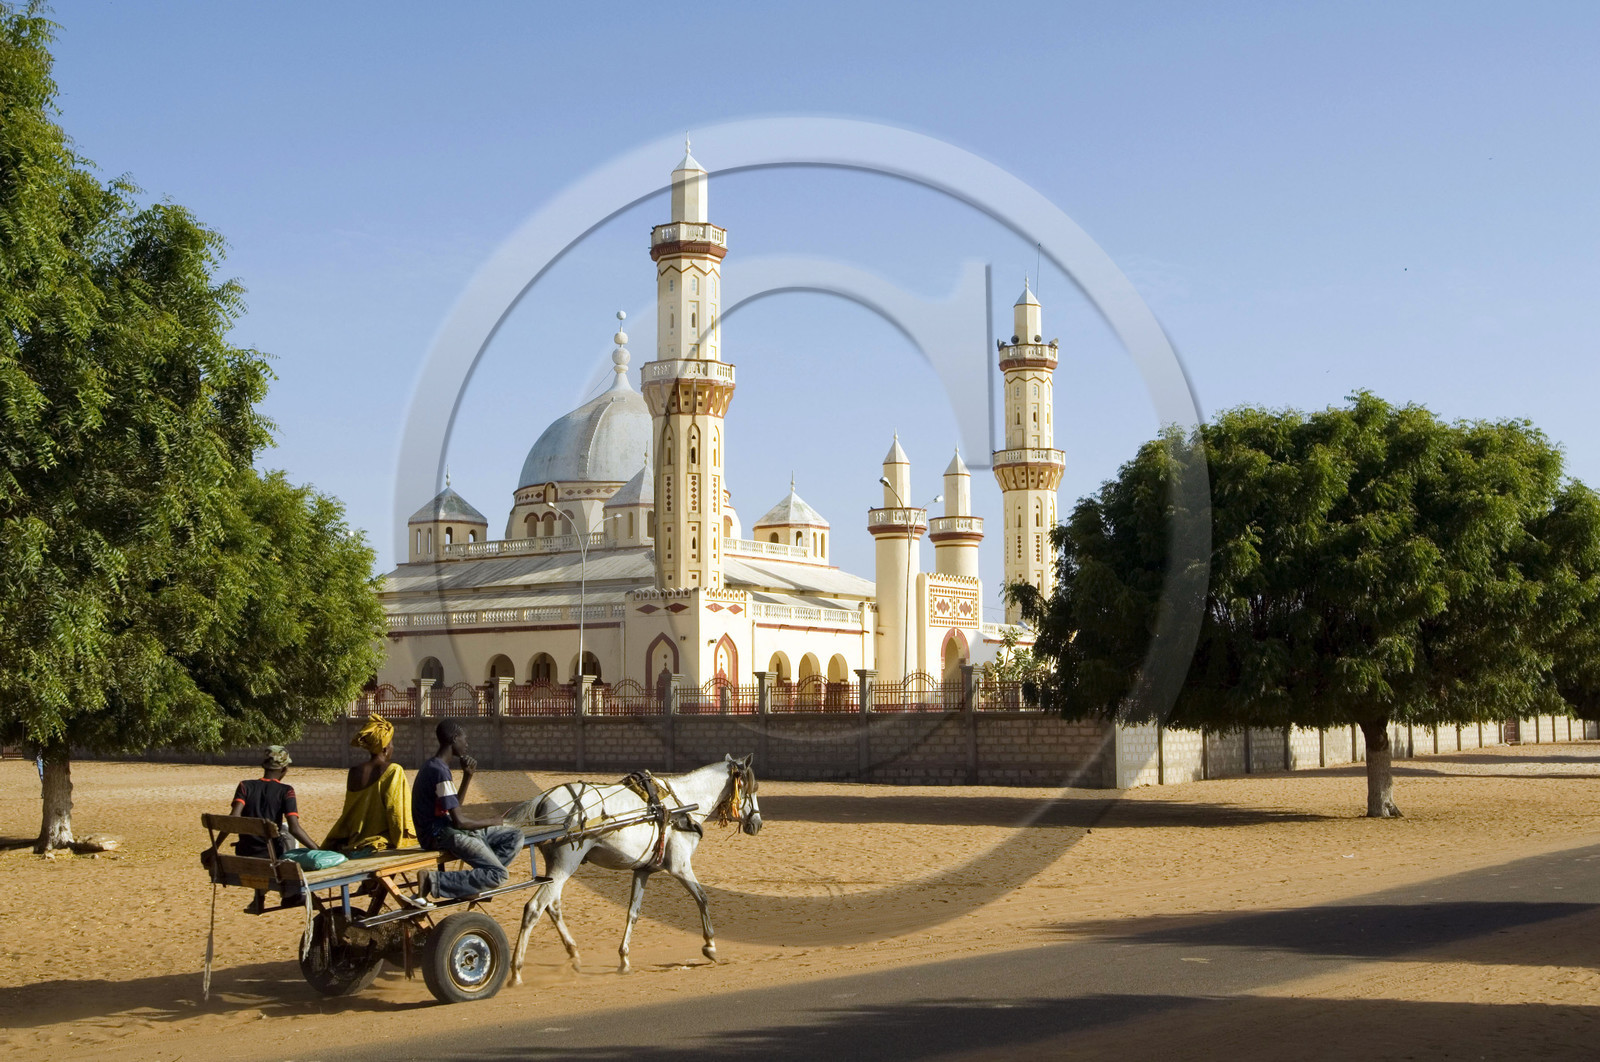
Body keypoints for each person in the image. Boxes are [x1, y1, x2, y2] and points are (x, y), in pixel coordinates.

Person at [411, 719, 521, 903]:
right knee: (499, 875)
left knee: (515, 836)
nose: (466, 744)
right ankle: (432, 881)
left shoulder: (436, 766)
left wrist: (467, 777)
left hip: (446, 828)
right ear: (454, 739)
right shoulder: (439, 771)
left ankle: (472, 884)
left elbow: (454, 807)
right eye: (464, 739)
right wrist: (492, 821)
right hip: (439, 834)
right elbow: (459, 821)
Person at [229, 745, 316, 912]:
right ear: (285, 769)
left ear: (263, 766)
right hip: (271, 856)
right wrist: (318, 850)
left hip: (245, 852)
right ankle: (291, 895)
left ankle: (259, 897)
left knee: (276, 832)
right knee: (287, 834)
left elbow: (232, 820)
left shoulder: (245, 786)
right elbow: (295, 828)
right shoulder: (286, 791)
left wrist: (214, 847)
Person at [322, 714, 417, 854]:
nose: (393, 748)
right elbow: (396, 812)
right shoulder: (393, 771)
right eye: (392, 744)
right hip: (378, 843)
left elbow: (349, 811)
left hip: (353, 840)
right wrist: (402, 841)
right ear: (385, 748)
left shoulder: (353, 772)